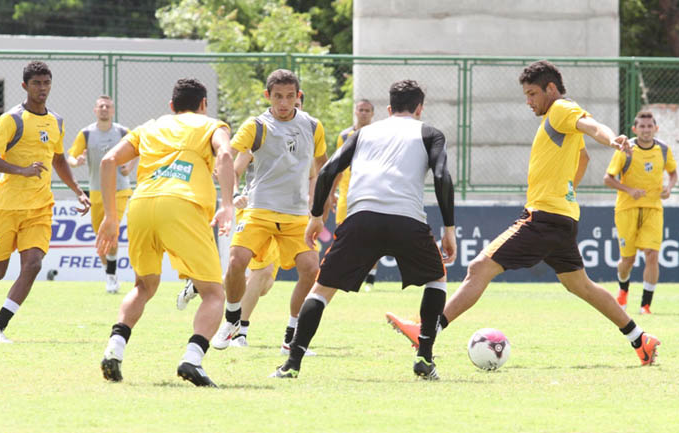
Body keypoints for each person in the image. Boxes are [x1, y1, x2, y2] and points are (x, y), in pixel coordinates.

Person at [390, 60, 659, 369]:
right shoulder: (556, 122)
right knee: (580, 285)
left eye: (533, 94)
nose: (529, 102)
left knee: (479, 267)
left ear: (552, 89)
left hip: (543, 218)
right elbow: (582, 156)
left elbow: (591, 125)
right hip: (561, 217)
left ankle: (427, 331)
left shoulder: (561, 109)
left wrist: (612, 139)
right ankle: (640, 339)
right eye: (526, 95)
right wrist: (568, 188)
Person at [271, 79, 457, 380]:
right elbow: (441, 175)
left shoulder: (364, 133)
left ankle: (292, 363)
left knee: (321, 290)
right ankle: (424, 357)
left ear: (388, 108)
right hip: (407, 219)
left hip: (360, 218)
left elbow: (329, 169)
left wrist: (316, 216)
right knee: (436, 279)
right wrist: (449, 228)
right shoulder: (430, 133)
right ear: (420, 109)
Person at [96, 78, 234, 387]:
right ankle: (192, 359)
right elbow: (225, 156)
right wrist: (227, 204)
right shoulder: (212, 125)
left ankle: (114, 350)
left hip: (142, 205)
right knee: (213, 293)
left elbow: (108, 161)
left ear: (171, 106)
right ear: (203, 105)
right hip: (182, 205)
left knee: (143, 285)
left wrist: (110, 216)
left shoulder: (150, 127)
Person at [0, 61, 91, 343]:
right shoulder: (11, 119)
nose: (42, 88)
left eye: (46, 82)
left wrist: (77, 190)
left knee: (33, 264)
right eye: (36, 83)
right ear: (25, 86)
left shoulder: (57, 121)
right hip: (7, 207)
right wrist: (21, 170)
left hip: (40, 207)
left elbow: (59, 159)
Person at [211, 70, 327, 354]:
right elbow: (226, 164)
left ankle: (292, 336)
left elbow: (322, 168)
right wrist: (233, 195)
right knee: (237, 263)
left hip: (297, 215)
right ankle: (232, 321)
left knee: (311, 270)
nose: (284, 103)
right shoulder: (256, 126)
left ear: (298, 96)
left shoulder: (312, 126)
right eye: (278, 96)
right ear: (268, 96)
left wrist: (318, 209)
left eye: (290, 96)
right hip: (259, 210)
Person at [605, 110, 677, 314]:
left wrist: (669, 188)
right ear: (635, 129)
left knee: (652, 255)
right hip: (627, 209)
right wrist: (629, 190)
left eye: (650, 126)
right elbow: (608, 178)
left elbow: (673, 173)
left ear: (656, 128)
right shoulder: (626, 149)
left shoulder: (663, 149)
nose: (646, 130)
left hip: (653, 208)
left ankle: (646, 305)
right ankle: (623, 289)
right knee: (628, 261)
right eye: (642, 127)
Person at [67, 95, 133, 294]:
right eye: (101, 106)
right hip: (96, 192)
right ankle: (110, 274)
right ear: (95, 110)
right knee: (101, 237)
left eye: (108, 106)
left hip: (120, 189)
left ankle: (111, 278)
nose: (104, 109)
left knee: (112, 230)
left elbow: (137, 151)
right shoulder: (86, 133)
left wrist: (129, 166)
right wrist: (75, 161)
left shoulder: (123, 132)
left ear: (113, 111)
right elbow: (70, 156)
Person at [333, 99, 376, 291]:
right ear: (355, 112)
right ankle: (344, 276)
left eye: (367, 110)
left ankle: (370, 280)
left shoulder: (379, 135)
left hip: (370, 193)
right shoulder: (345, 135)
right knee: (343, 237)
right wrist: (330, 193)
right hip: (347, 194)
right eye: (361, 110)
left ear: (372, 113)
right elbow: (337, 167)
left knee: (370, 238)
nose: (364, 113)